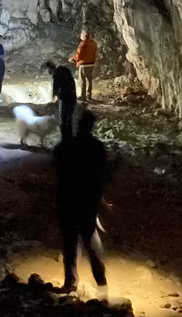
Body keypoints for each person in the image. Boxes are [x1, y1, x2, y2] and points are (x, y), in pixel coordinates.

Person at [54, 110, 110, 295]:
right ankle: (101, 282)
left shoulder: (66, 145)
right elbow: (103, 176)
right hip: (87, 201)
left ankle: (70, 283)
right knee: (91, 239)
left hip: (68, 199)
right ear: (91, 126)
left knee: (69, 241)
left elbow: (56, 169)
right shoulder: (97, 148)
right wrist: (100, 198)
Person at [46, 61, 76, 137]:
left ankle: (65, 138)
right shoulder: (65, 70)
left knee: (63, 120)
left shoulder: (55, 75)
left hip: (64, 98)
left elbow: (54, 90)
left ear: (50, 69)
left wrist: (52, 101)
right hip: (72, 97)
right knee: (69, 119)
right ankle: (70, 137)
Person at [69, 29, 98, 102]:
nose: (80, 35)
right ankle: (89, 95)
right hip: (91, 64)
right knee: (89, 80)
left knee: (82, 80)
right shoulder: (93, 43)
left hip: (83, 64)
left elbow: (79, 55)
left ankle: (83, 95)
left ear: (84, 35)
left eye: (81, 34)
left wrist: (73, 58)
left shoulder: (83, 44)